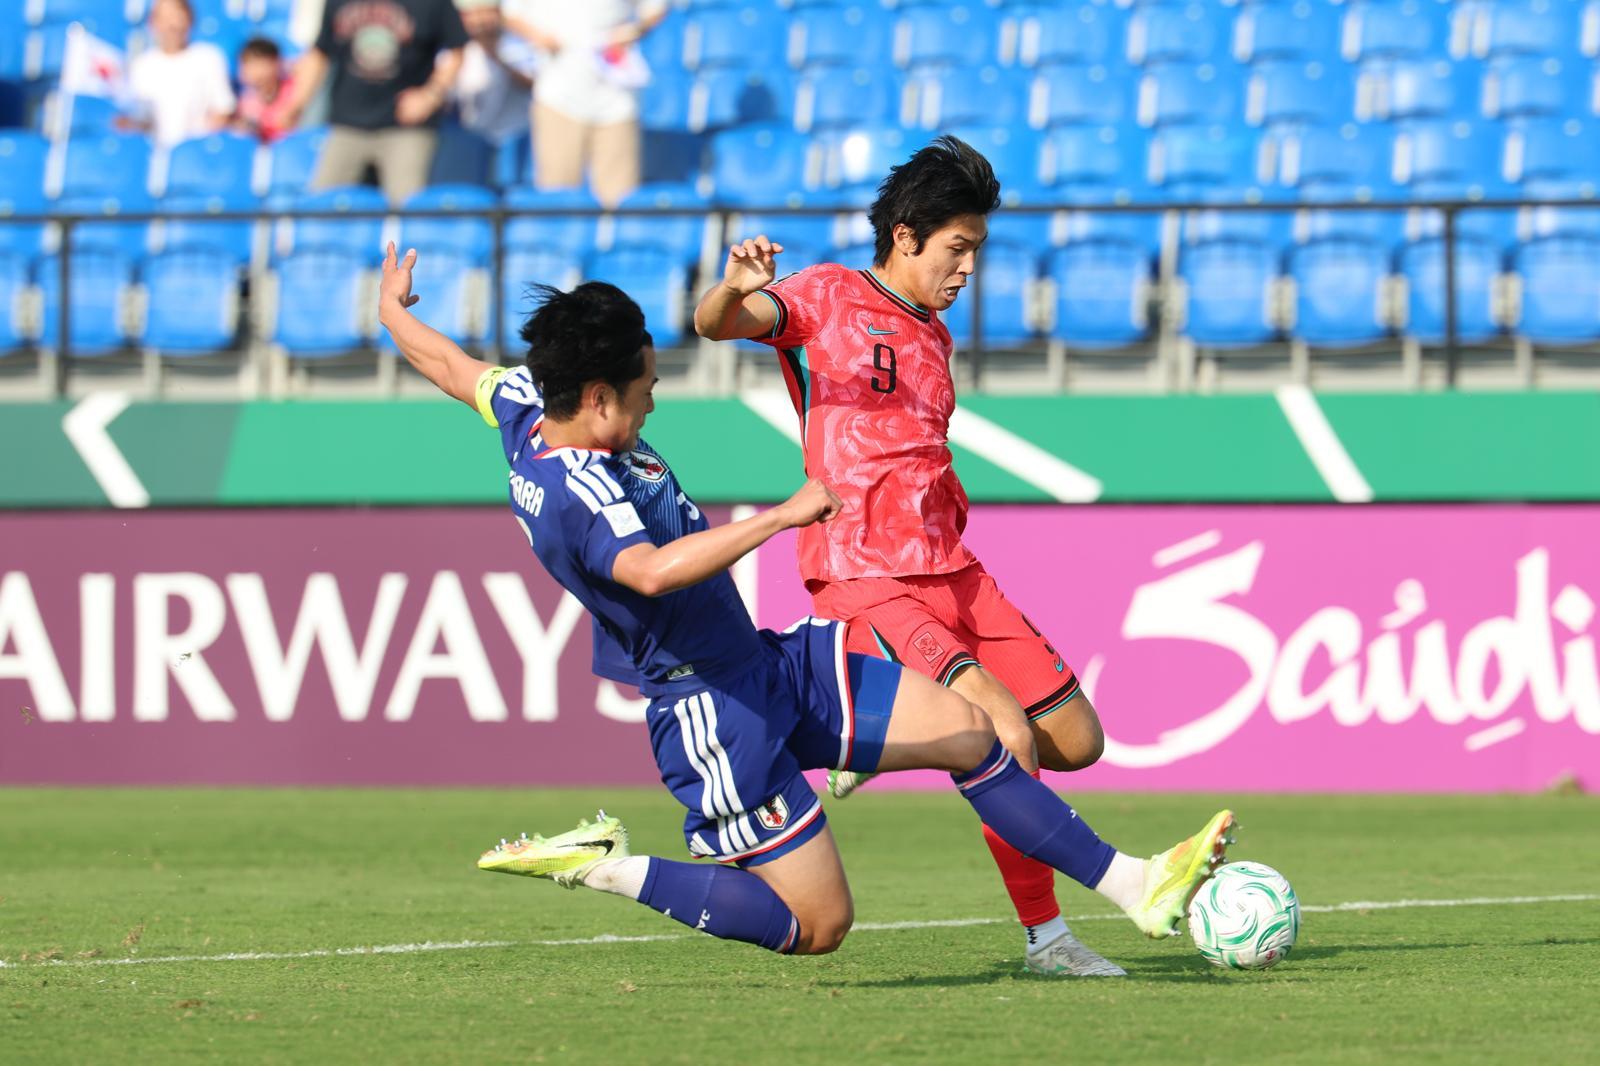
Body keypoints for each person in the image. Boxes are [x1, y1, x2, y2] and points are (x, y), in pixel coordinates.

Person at [376, 241, 1235, 962]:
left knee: (975, 733)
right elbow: (647, 572)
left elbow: (450, 365)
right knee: (819, 926)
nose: (652, 400)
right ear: (597, 399)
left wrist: (392, 313)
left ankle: (1135, 883)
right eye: (643, 393)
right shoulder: (578, 486)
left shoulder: (530, 405)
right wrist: (780, 517)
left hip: (765, 660)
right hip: (711, 706)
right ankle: (607, 865)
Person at [692, 137, 1123, 976]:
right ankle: (1049, 940)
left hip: (952, 567)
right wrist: (732, 288)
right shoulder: (827, 295)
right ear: (905, 234)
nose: (967, 268)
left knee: (1076, 741)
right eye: (957, 248)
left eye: (977, 251)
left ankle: (874, 741)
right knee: (1006, 734)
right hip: (866, 569)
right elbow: (721, 325)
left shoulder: (935, 335)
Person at [281, 0, 469, 205]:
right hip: (347, 124)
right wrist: (295, 105)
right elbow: (320, 53)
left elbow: (457, 50)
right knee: (323, 208)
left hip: (406, 128)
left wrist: (431, 95)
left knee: (407, 209)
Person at [503, 0, 666, 207]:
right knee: (557, 200)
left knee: (619, 201)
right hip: (557, 97)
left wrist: (633, 30)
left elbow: (655, 8)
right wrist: (539, 37)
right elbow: (509, 13)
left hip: (617, 98)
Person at [124, 0, 235, 147]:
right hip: (155, 155)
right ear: (153, 23)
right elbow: (140, 120)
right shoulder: (141, 65)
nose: (172, 25)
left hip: (196, 154)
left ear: (190, 19)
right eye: (165, 18)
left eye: (177, 16)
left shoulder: (209, 57)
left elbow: (223, 110)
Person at [451, 0, 538, 148]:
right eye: (473, 13)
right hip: (469, 139)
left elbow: (533, 84)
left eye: (486, 12)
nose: (480, 20)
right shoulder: (454, 50)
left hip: (518, 136)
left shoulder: (518, 43)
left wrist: (497, 58)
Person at [233, 37, 297, 143]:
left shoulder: (295, 91)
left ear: (276, 62)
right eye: (247, 65)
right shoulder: (247, 101)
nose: (253, 73)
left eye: (258, 65)